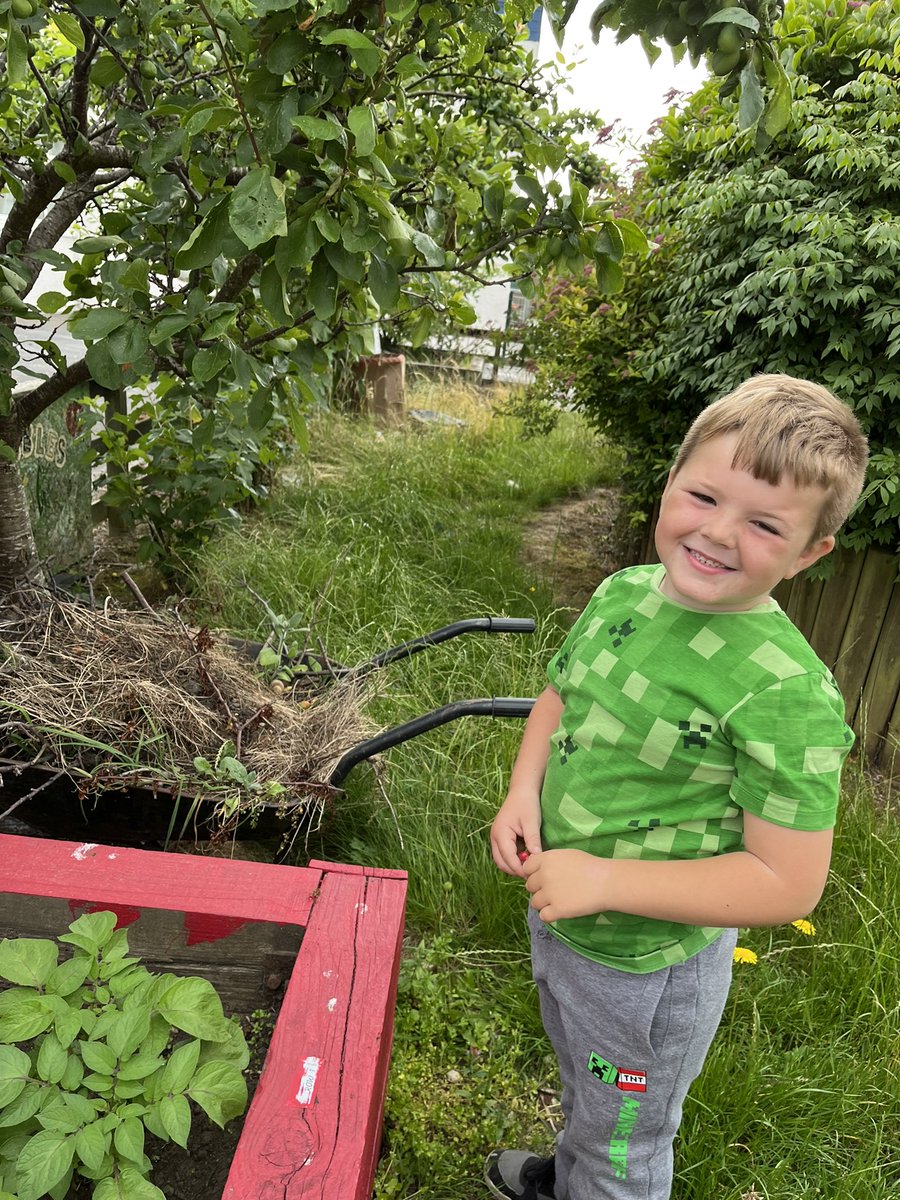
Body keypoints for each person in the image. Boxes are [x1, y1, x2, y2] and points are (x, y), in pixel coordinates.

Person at [485, 374, 869, 1200]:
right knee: (587, 1081)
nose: (719, 533)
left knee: (629, 1140)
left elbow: (788, 881)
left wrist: (606, 880)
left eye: (766, 524)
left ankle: (599, 1180)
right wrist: (523, 792)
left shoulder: (784, 693)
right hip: (565, 924)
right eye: (703, 495)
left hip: (646, 973)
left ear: (809, 554)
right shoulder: (623, 593)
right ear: (669, 484)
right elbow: (559, 697)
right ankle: (573, 1171)